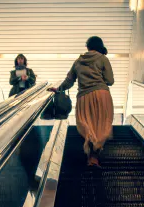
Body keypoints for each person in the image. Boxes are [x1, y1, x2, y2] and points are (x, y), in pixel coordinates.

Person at [48, 36, 114, 167]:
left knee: (87, 126)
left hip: (84, 97)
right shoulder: (103, 59)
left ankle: (91, 157)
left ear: (87, 47)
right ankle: (94, 156)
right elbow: (110, 81)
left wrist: (59, 89)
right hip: (102, 95)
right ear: (100, 45)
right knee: (101, 126)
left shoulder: (78, 61)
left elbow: (69, 81)